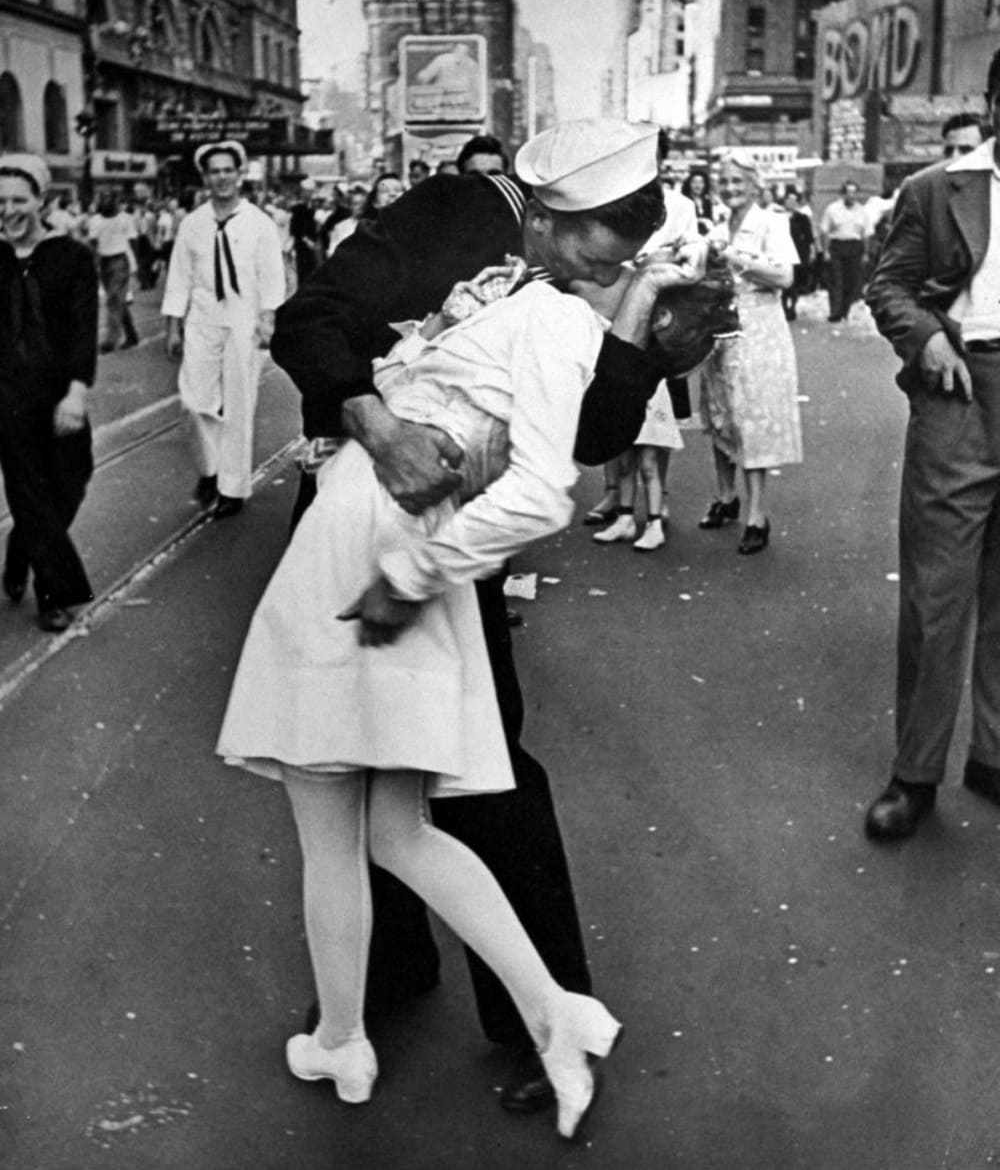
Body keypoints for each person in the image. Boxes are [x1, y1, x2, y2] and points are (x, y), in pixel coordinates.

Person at [270, 118, 707, 1114]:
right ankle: (379, 973)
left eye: (623, 252)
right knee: (343, 752)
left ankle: (539, 1014)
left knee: (481, 766)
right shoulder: (455, 213)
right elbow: (311, 319)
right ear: (548, 213)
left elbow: (594, 433)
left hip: (458, 542)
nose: (600, 267)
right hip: (355, 505)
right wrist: (374, 424)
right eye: (592, 244)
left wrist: (636, 336)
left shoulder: (633, 275)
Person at [863, 48, 1000, 840]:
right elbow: (887, 285)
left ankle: (994, 754)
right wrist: (927, 341)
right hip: (961, 393)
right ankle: (914, 776)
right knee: (937, 596)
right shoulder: (937, 189)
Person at [161, 140, 285, 519]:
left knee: (239, 404)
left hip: (244, 322)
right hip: (202, 321)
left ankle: (232, 487)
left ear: (239, 174)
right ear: (205, 178)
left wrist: (268, 319)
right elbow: (179, 277)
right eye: (214, 171)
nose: (222, 178)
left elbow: (271, 276)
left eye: (228, 170)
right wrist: (173, 327)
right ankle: (210, 469)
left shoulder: (259, 223)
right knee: (194, 401)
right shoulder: (193, 225)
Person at [0, 154, 98, 632]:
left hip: (59, 391)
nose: (8, 210)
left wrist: (76, 393)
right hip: (6, 397)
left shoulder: (71, 258)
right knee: (29, 490)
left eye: (19, 199)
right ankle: (53, 594)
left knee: (71, 481)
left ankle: (21, 549)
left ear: (41, 201)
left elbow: (83, 329)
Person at [592, 163, 702, 549]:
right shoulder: (608, 204)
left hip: (654, 335)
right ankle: (622, 511)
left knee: (652, 450)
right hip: (613, 327)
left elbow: (690, 255)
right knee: (620, 446)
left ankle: (656, 514)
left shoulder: (680, 206)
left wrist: (664, 262)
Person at [698, 151, 802, 554]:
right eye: (724, 182)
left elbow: (785, 276)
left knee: (752, 418)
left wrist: (735, 260)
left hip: (759, 330)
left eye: (738, 182)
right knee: (721, 414)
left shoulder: (772, 223)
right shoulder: (719, 226)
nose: (729, 189)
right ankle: (727, 497)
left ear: (755, 185)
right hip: (721, 329)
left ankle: (757, 514)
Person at [88, 192, 140, 351]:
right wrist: (94, 264)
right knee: (117, 300)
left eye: (110, 199)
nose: (107, 203)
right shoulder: (95, 220)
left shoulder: (125, 218)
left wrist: (134, 262)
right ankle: (132, 335)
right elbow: (93, 243)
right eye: (103, 199)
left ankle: (110, 340)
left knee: (113, 299)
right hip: (104, 261)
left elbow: (133, 240)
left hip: (119, 261)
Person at [819, 180, 869, 323]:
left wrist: (865, 253)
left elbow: (866, 234)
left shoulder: (862, 211)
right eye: (848, 192)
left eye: (854, 192)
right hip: (837, 246)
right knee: (836, 280)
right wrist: (825, 251)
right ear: (843, 194)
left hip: (855, 247)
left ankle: (845, 311)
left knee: (852, 281)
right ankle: (835, 312)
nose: (851, 196)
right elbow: (824, 231)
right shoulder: (833, 209)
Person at [779, 185, 815, 321]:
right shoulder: (778, 217)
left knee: (795, 283)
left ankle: (792, 306)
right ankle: (783, 306)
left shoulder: (802, 218)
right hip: (782, 253)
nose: (791, 204)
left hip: (799, 253)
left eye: (794, 201)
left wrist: (811, 251)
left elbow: (809, 236)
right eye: (789, 201)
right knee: (784, 282)